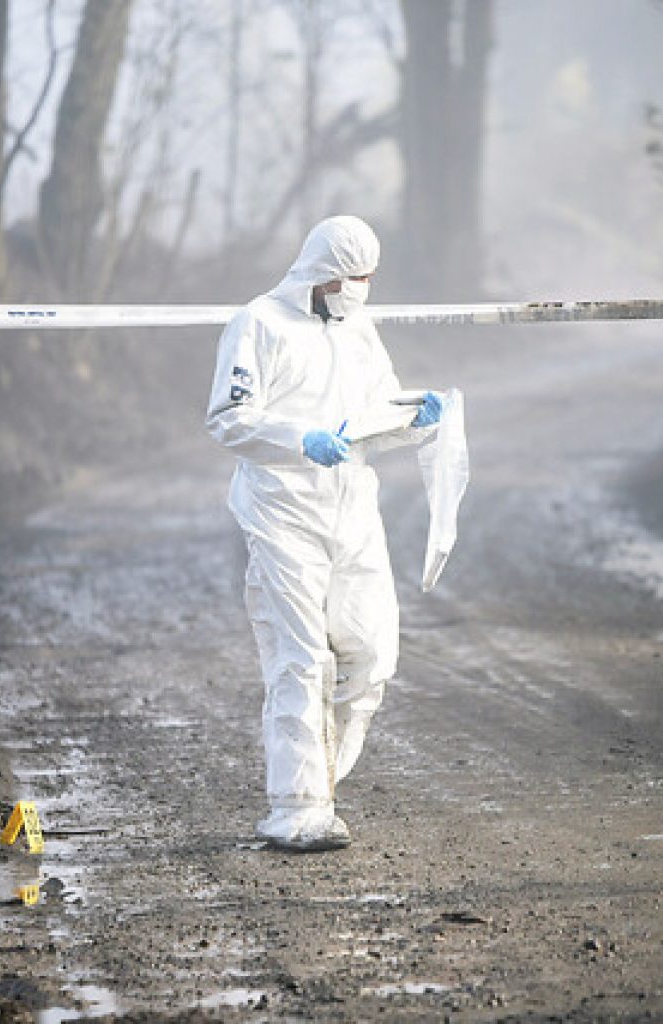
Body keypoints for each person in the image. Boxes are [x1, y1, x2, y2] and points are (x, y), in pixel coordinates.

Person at [206, 215, 444, 852]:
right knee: (301, 658)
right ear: (320, 271)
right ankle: (297, 807)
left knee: (369, 654)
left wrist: (415, 419)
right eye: (350, 279)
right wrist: (298, 441)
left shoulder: (358, 329)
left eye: (366, 279)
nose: (358, 290)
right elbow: (229, 419)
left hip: (352, 509)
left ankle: (322, 781)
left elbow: (373, 419)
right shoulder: (259, 324)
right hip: (282, 513)